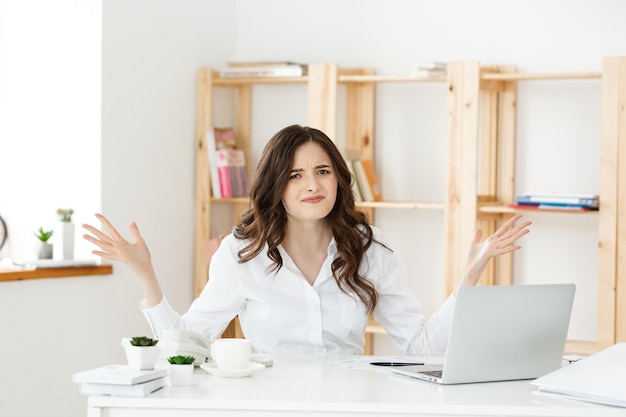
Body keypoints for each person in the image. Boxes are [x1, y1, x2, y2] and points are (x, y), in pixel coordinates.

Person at [82, 124, 531, 356]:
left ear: (338, 178)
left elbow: (420, 348)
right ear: (275, 186)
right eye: (295, 175)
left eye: (322, 171)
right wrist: (146, 276)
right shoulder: (243, 256)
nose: (311, 185)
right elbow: (186, 346)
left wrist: (471, 273)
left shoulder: (367, 250)